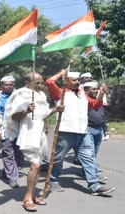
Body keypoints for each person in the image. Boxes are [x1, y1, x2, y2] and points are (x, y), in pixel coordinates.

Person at [46, 68, 115, 196]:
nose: (78, 82)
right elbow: (50, 82)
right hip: (65, 132)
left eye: (78, 79)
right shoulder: (60, 93)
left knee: (88, 158)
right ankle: (53, 180)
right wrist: (61, 73)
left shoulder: (82, 94)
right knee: (58, 158)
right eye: (74, 80)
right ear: (66, 81)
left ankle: (94, 185)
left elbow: (94, 105)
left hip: (83, 133)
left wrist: (101, 94)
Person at [5, 72, 63, 211]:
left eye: (41, 82)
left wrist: (55, 110)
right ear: (27, 82)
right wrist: (26, 110)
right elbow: (14, 117)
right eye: (37, 82)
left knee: (36, 167)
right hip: (28, 134)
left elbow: (43, 114)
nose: (40, 85)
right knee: (35, 165)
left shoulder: (42, 95)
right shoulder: (21, 94)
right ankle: (27, 197)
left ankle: (32, 195)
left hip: (40, 134)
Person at [0, 75, 20, 188]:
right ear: (1, 86)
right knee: (8, 155)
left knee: (17, 155)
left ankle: (5, 172)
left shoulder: (19, 97)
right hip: (6, 131)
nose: (9, 86)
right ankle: (12, 178)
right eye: (7, 85)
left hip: (20, 131)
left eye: (11, 84)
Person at [83, 81, 109, 182]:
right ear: (86, 90)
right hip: (88, 129)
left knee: (94, 153)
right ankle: (96, 173)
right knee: (90, 153)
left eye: (96, 89)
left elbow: (102, 116)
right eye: (93, 89)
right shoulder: (84, 101)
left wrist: (105, 129)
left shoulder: (99, 101)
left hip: (99, 130)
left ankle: (85, 170)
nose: (95, 91)